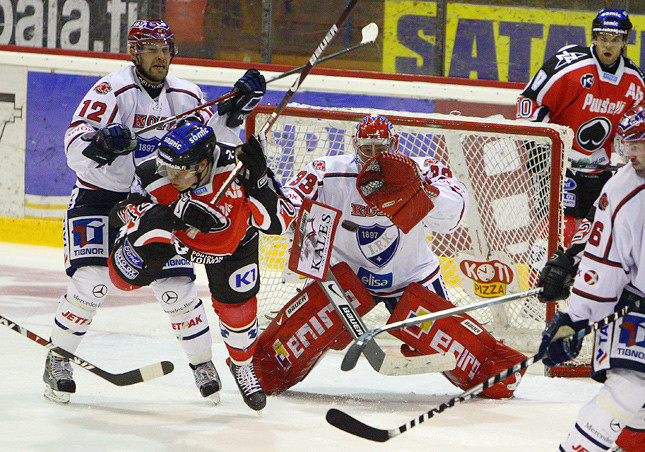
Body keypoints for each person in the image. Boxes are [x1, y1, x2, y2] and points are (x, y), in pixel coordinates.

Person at [43, 18, 267, 404]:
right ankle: (58, 358)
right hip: (99, 197)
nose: (160, 55)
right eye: (151, 48)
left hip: (156, 199)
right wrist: (100, 142)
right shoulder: (113, 90)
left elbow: (208, 144)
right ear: (134, 53)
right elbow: (72, 147)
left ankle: (202, 364)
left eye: (165, 48)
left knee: (177, 288)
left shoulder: (186, 94)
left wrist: (235, 110)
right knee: (91, 283)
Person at [253, 114, 529, 399]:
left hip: (411, 276)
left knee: (454, 348)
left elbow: (455, 213)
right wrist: (263, 186)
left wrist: (423, 194)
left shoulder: (421, 170)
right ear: (354, 145)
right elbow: (288, 210)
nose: (374, 157)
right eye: (367, 149)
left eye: (381, 148)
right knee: (293, 346)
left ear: (395, 144)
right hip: (345, 278)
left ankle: (499, 376)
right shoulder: (326, 173)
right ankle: (262, 370)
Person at [108, 118, 296, 410]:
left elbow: (280, 223)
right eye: (167, 166)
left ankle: (242, 365)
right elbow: (120, 214)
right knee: (133, 279)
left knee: (239, 310)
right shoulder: (152, 174)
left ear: (203, 165)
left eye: (180, 170)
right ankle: (201, 363)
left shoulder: (241, 169)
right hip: (174, 243)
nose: (171, 175)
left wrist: (259, 184)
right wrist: (169, 214)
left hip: (233, 245)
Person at [538, 105, 645, 452]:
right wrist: (575, 319)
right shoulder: (623, 190)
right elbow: (605, 264)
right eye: (629, 143)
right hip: (638, 306)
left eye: (640, 144)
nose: (632, 153)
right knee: (630, 388)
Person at [516, 8, 645, 247]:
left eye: (616, 40)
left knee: (597, 235)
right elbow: (530, 101)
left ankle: (582, 284)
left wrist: (631, 152)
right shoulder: (569, 66)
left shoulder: (635, 81)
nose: (608, 45)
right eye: (603, 38)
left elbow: (635, 128)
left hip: (600, 169)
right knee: (557, 234)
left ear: (625, 42)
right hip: (559, 164)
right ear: (594, 38)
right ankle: (546, 283)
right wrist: (538, 147)